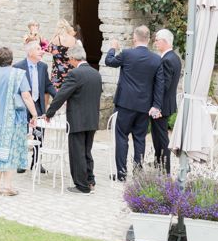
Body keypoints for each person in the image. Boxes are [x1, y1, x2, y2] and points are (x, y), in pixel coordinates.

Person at [0, 47, 39, 196]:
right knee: (11, 152)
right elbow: (26, 97)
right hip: (14, 122)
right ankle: (7, 187)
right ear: (12, 59)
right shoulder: (18, 74)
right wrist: (34, 114)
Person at [105, 25, 163, 181]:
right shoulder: (156, 59)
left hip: (124, 104)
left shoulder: (127, 54)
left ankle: (122, 173)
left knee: (121, 137)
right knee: (140, 138)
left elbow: (109, 61)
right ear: (149, 39)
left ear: (134, 38)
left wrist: (112, 48)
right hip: (144, 106)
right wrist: (156, 105)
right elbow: (160, 84)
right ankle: (137, 172)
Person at [45, 45, 103, 194]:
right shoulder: (96, 74)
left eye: (69, 59)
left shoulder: (75, 74)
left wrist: (49, 113)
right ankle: (90, 180)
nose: (69, 63)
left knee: (77, 152)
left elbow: (61, 95)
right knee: (87, 151)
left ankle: (81, 185)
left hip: (78, 119)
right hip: (92, 119)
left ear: (73, 58)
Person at [14, 40, 58, 172]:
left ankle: (36, 162)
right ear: (30, 52)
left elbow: (48, 85)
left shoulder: (43, 66)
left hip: (38, 105)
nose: (42, 51)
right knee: (21, 133)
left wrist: (59, 97)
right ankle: (20, 162)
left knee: (40, 134)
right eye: (38, 49)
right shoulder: (18, 66)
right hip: (23, 105)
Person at [151, 28, 182, 173]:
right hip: (167, 104)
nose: (155, 42)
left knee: (161, 138)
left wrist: (156, 106)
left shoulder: (167, 60)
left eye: (157, 40)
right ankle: (159, 163)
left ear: (164, 41)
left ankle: (164, 169)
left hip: (161, 106)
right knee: (158, 136)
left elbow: (163, 85)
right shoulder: (174, 57)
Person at [49, 19, 77, 89]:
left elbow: (49, 49)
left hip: (58, 71)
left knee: (58, 94)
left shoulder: (57, 39)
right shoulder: (73, 39)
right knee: (69, 92)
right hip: (71, 70)